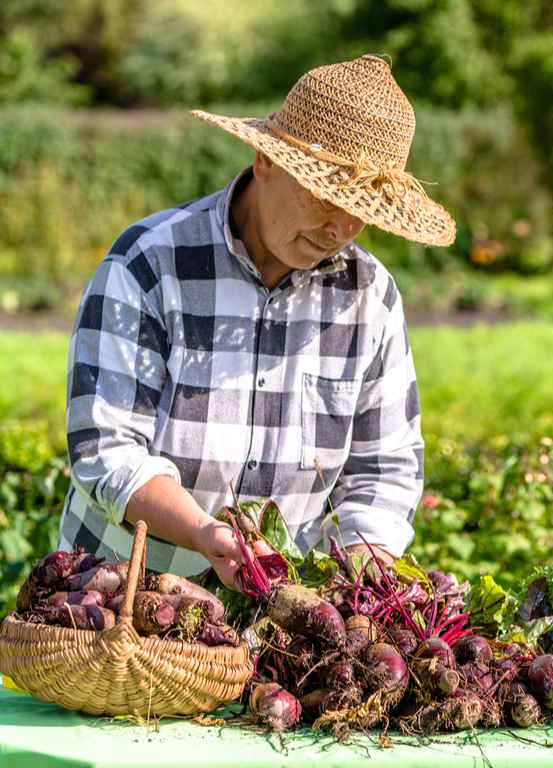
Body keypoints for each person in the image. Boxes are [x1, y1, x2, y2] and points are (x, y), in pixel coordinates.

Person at [57, 55, 455, 589]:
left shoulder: (369, 296)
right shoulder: (151, 263)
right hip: (120, 603)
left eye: (361, 208)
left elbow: (383, 471)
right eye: (324, 195)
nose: (341, 226)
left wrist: (361, 574)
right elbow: (106, 449)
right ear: (265, 162)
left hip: (274, 624)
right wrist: (203, 532)